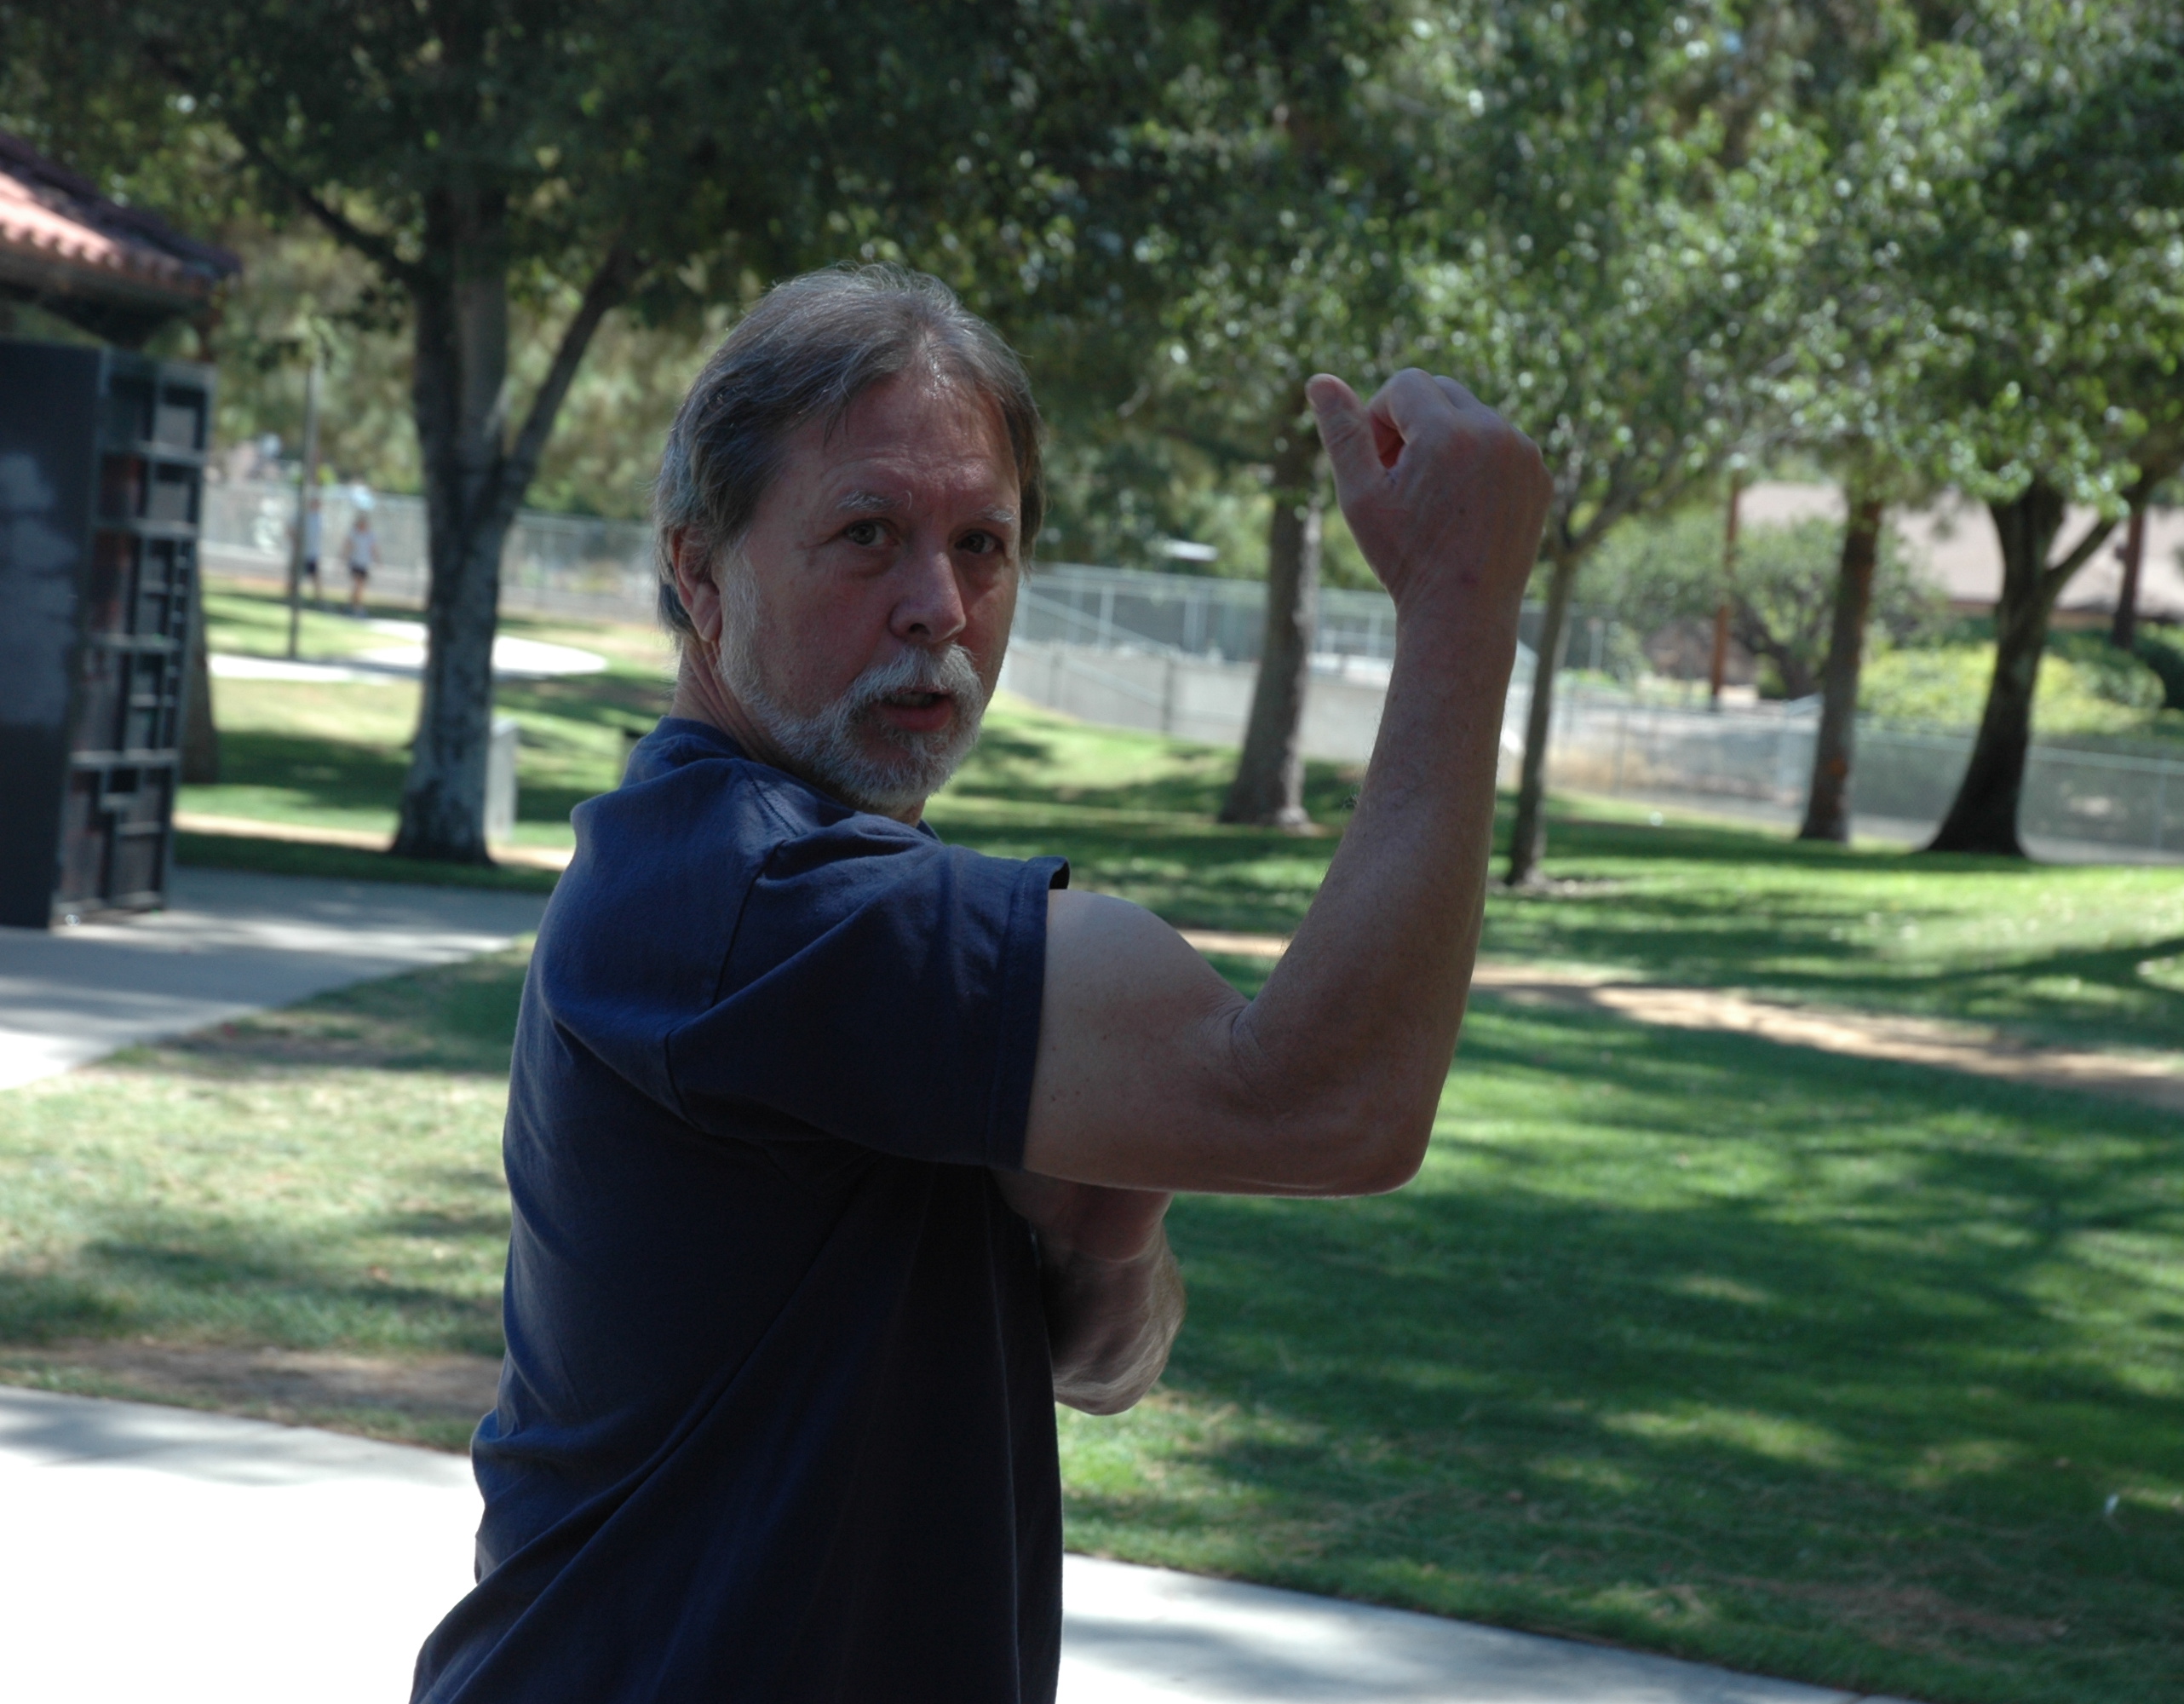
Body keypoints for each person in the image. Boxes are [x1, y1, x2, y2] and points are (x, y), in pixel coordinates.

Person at [410, 265, 1549, 1704]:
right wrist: (1459, 598)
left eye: (981, 542)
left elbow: (1103, 1359)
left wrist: (1101, 1232)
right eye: (867, 535)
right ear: (697, 572)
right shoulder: (742, 892)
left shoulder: (827, 893)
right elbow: (1334, 1105)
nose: (934, 606)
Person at [343, 508, 376, 616]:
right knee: (358, 585)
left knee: (360, 587)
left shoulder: (370, 534)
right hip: (355, 562)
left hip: (364, 563)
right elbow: (348, 546)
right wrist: (344, 557)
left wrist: (378, 560)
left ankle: (352, 605)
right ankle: (358, 608)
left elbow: (373, 548)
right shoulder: (354, 533)